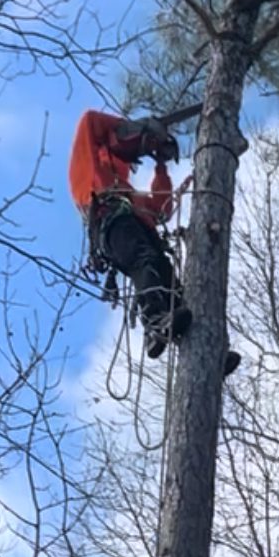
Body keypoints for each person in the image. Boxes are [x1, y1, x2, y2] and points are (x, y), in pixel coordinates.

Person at [68, 110, 240, 372]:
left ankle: (211, 351)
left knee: (174, 287)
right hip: (112, 224)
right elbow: (89, 120)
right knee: (143, 261)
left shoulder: (129, 196)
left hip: (136, 229)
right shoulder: (91, 174)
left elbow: (161, 209)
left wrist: (161, 165)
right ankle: (154, 324)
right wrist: (138, 128)